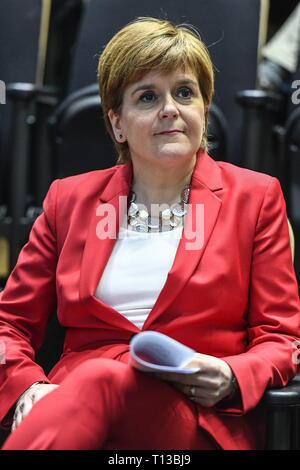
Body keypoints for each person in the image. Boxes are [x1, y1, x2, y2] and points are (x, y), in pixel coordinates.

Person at [1, 16, 300, 451]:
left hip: (193, 419)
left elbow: (283, 337)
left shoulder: (255, 198)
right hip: (74, 412)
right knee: (97, 383)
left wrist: (233, 375)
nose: (170, 109)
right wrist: (28, 387)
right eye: (147, 97)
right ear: (117, 123)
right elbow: (9, 324)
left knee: (101, 379)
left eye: (184, 92)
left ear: (203, 108)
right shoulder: (68, 200)